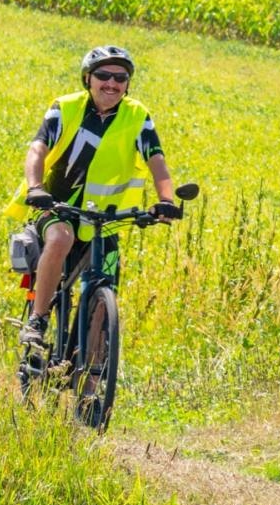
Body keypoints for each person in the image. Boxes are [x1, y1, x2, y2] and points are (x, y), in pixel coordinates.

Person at [11, 46, 182, 347]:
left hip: (108, 218)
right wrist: (36, 187)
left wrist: (166, 200)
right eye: (103, 75)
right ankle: (37, 320)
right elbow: (38, 149)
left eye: (121, 77)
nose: (112, 83)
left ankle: (89, 388)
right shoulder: (65, 107)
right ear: (87, 78)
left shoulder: (137, 116)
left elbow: (157, 161)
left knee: (104, 299)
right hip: (57, 206)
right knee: (61, 238)